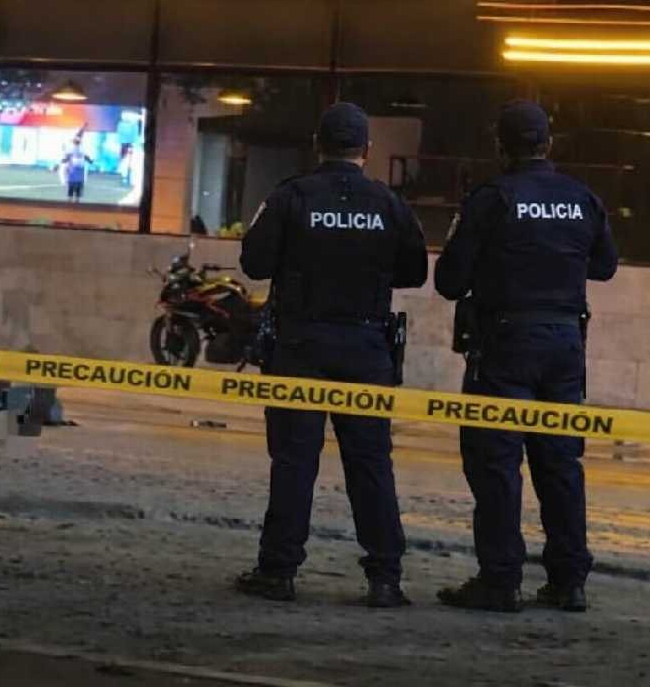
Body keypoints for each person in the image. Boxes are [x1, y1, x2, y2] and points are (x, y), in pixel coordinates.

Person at [235, 102, 428, 608]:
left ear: (316, 144)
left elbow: (254, 262)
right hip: (366, 348)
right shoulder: (388, 202)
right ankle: (384, 577)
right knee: (370, 464)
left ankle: (278, 572)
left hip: (301, 346)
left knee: (294, 462)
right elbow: (414, 272)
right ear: (367, 149)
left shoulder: (292, 196)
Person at [434, 100, 617, 613]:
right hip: (564, 346)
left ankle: (499, 580)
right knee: (560, 462)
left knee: (496, 462)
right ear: (548, 144)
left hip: (505, 344)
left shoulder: (491, 198)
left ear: (501, 146)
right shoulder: (581, 198)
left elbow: (449, 280)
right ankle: (568, 581)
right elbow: (604, 267)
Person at [58, 138, 94, 203]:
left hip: (76, 170)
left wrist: (63, 160)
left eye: (76, 142)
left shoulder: (78, 149)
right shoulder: (77, 149)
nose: (76, 143)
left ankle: (72, 200)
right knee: (75, 186)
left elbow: (66, 158)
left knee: (74, 186)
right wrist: (90, 161)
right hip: (75, 170)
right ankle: (74, 200)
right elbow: (86, 157)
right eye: (76, 142)